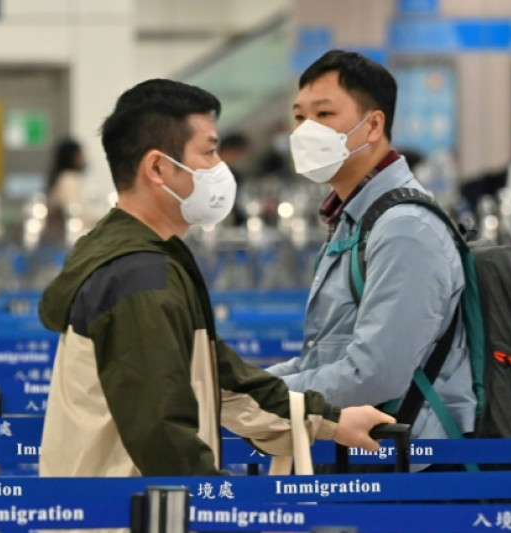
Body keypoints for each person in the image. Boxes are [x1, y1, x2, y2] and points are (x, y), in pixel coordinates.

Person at [37, 78, 394, 478]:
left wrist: (331, 421)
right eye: (208, 152)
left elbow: (226, 382)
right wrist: (223, 509)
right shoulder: (137, 277)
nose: (219, 167)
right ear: (157, 167)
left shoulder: (154, 259)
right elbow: (163, 437)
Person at [266, 50, 476, 460]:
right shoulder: (357, 219)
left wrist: (263, 398)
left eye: (324, 115)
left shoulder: (405, 229)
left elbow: (374, 373)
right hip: (369, 457)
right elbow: (326, 355)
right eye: (298, 117)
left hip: (413, 471)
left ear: (373, 125)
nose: (306, 130)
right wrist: (247, 388)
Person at [44, 138, 88, 244]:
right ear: (72, 157)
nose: (84, 159)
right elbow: (75, 212)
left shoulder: (61, 179)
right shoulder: (68, 180)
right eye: (80, 155)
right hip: (68, 242)